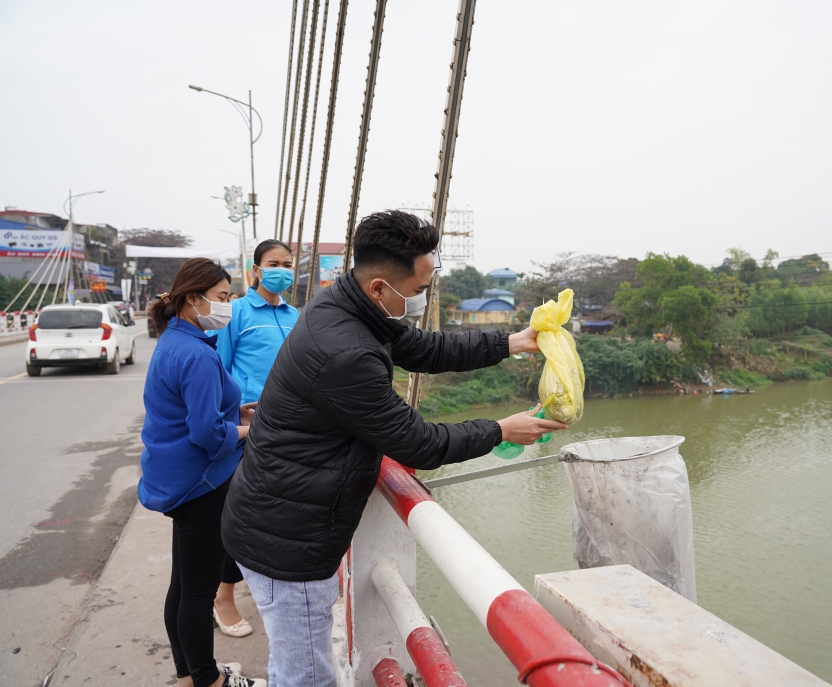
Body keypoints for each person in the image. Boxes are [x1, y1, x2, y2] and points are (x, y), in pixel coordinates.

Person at [221, 210, 565, 687]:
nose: (424, 298)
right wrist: (501, 429)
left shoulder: (346, 304)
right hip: (289, 544)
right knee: (308, 678)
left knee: (292, 662)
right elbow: (416, 442)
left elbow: (425, 348)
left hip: (277, 520)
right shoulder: (346, 352)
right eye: (420, 289)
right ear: (381, 286)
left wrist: (511, 342)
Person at [139, 258, 266, 687]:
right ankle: (209, 680)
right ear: (193, 299)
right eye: (223, 298)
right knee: (197, 591)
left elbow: (198, 413)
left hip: (178, 479)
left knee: (183, 584)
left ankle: (188, 676)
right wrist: (255, 429)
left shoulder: (176, 339)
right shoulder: (195, 353)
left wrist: (237, 410)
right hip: (203, 483)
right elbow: (208, 434)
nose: (227, 306)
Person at [208, 239, 300, 638]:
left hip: (292, 430)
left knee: (279, 516)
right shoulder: (237, 313)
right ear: (256, 270)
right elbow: (219, 371)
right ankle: (222, 596)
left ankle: (272, 592)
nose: (282, 270)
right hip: (249, 431)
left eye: (287, 263)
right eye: (273, 263)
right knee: (241, 516)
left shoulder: (298, 316)